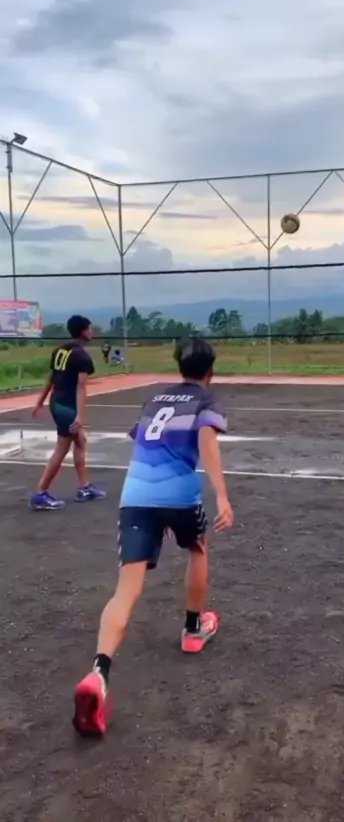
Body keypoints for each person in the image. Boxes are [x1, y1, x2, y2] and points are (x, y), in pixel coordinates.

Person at [73, 336, 234, 738]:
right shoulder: (206, 400)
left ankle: (99, 672)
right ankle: (193, 628)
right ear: (210, 370)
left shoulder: (155, 399)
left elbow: (143, 439)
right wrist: (222, 495)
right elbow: (207, 442)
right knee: (197, 548)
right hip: (178, 495)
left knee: (126, 590)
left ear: (179, 366)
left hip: (136, 496)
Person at [29, 315, 106, 510]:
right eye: (89, 329)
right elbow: (81, 387)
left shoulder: (60, 350)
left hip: (58, 403)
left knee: (80, 441)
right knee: (62, 448)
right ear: (83, 331)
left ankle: (85, 487)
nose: (92, 332)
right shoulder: (81, 356)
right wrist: (79, 416)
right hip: (67, 407)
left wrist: (40, 402)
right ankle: (40, 493)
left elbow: (51, 378)